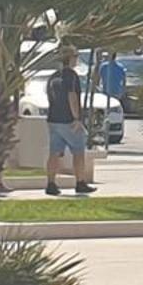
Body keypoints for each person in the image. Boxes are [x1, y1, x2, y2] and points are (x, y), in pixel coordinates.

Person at [43, 44, 95, 196]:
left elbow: (50, 96)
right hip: (68, 120)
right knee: (78, 152)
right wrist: (77, 118)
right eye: (76, 56)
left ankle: (51, 183)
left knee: (54, 153)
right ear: (70, 58)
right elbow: (72, 96)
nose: (77, 59)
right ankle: (80, 182)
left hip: (53, 119)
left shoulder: (53, 77)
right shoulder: (71, 76)